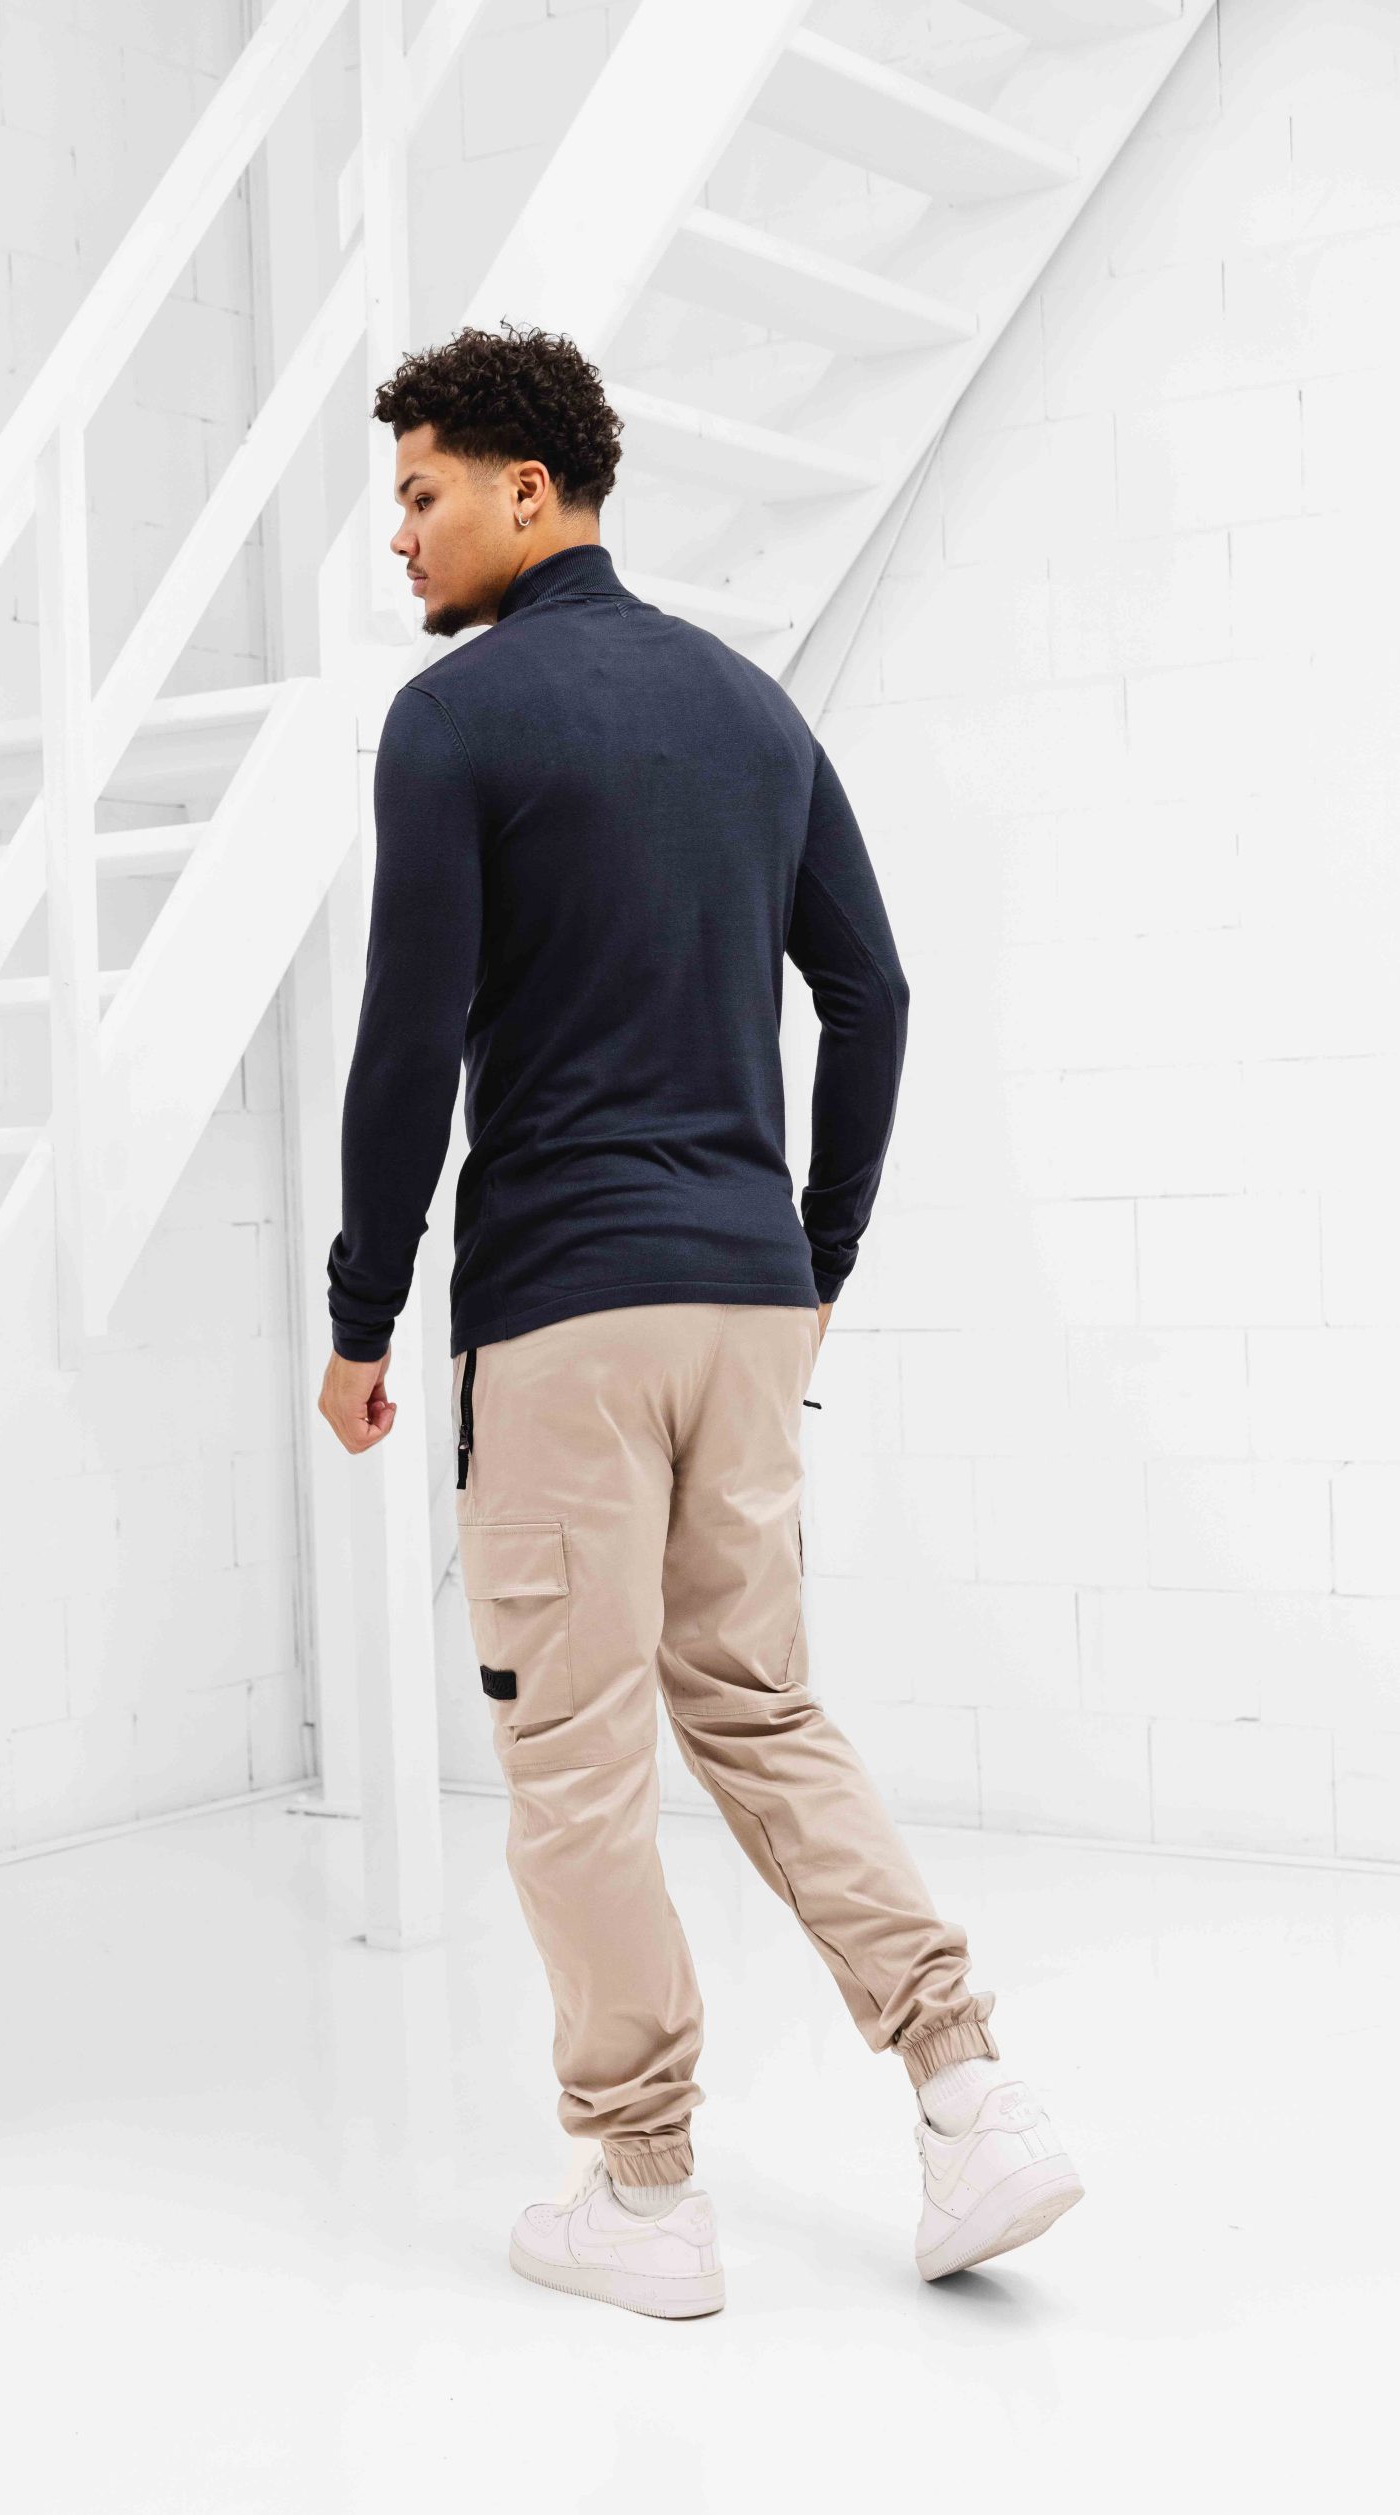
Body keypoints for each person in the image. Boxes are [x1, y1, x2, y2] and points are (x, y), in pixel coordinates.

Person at [318, 320, 1083, 2315]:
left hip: (566, 1314)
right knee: (756, 1706)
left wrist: (359, 1312)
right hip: (747, 1302)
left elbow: (406, 1047)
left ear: (525, 491)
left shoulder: (453, 723)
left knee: (573, 1750)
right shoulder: (752, 709)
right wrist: (817, 1258)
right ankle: (966, 2086)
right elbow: (874, 995)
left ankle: (645, 2191)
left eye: (418, 495)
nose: (397, 537)